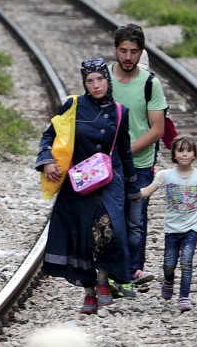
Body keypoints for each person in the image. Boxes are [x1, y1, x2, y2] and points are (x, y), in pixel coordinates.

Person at [36, 57, 139, 314]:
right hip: (79, 180)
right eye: (90, 81)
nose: (96, 85)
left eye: (100, 79)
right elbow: (50, 135)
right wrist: (47, 161)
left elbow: (125, 152)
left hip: (110, 180)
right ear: (84, 83)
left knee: (109, 228)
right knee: (82, 235)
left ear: (108, 80)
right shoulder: (72, 106)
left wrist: (133, 188)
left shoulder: (120, 112)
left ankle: (103, 280)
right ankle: (89, 290)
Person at [110, 23, 168, 286]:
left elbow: (157, 130)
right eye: (123, 50)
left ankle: (133, 270)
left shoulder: (150, 84)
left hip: (140, 164)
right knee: (109, 217)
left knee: (135, 219)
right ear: (115, 50)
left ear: (141, 52)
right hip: (107, 163)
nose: (128, 57)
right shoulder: (103, 80)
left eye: (133, 51)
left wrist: (124, 151)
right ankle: (111, 270)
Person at [140, 135, 197, 310]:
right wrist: (128, 191)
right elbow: (146, 192)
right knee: (169, 263)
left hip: (193, 227)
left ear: (194, 155)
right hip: (172, 228)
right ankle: (168, 281)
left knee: (186, 261)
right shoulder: (165, 175)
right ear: (174, 154)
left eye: (188, 151)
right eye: (180, 150)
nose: (184, 154)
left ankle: (184, 297)